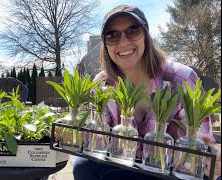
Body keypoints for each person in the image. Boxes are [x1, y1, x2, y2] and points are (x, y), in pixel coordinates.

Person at [72, 4, 221, 180]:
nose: (123, 42)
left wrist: (212, 159)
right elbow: (99, 143)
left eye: (133, 31)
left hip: (171, 171)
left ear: (146, 36)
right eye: (113, 35)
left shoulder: (181, 78)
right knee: (83, 165)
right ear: (105, 44)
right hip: (127, 166)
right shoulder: (102, 84)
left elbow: (197, 146)